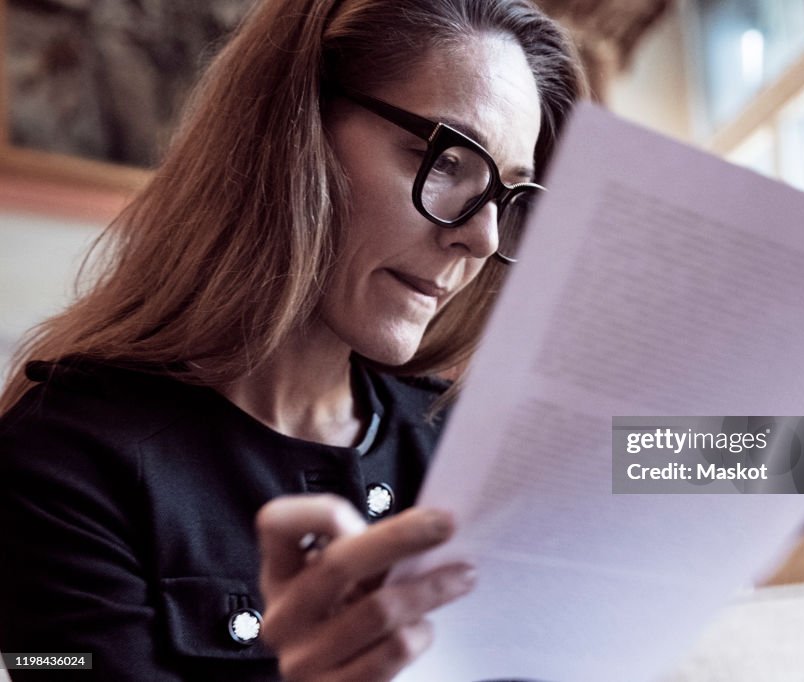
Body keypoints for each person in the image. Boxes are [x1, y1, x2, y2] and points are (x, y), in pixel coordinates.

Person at [0, 0, 584, 679]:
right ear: (293, 132)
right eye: (449, 161)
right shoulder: (54, 464)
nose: (481, 238)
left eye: (509, 198)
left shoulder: (460, 440)